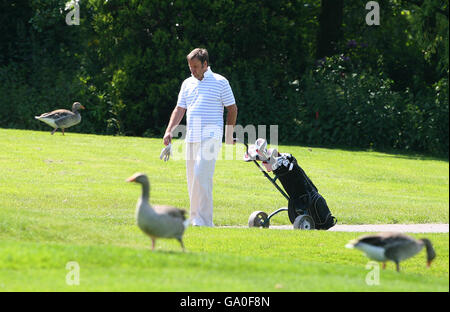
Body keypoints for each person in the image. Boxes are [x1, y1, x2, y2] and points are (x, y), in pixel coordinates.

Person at [163, 48, 238, 226]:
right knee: (192, 179)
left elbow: (232, 109)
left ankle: (204, 221)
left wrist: (228, 135)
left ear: (205, 64)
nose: (193, 71)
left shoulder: (221, 82)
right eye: (190, 67)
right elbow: (179, 109)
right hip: (191, 137)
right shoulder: (187, 83)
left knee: (201, 176)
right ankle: (195, 218)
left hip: (211, 137)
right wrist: (169, 130)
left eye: (196, 66)